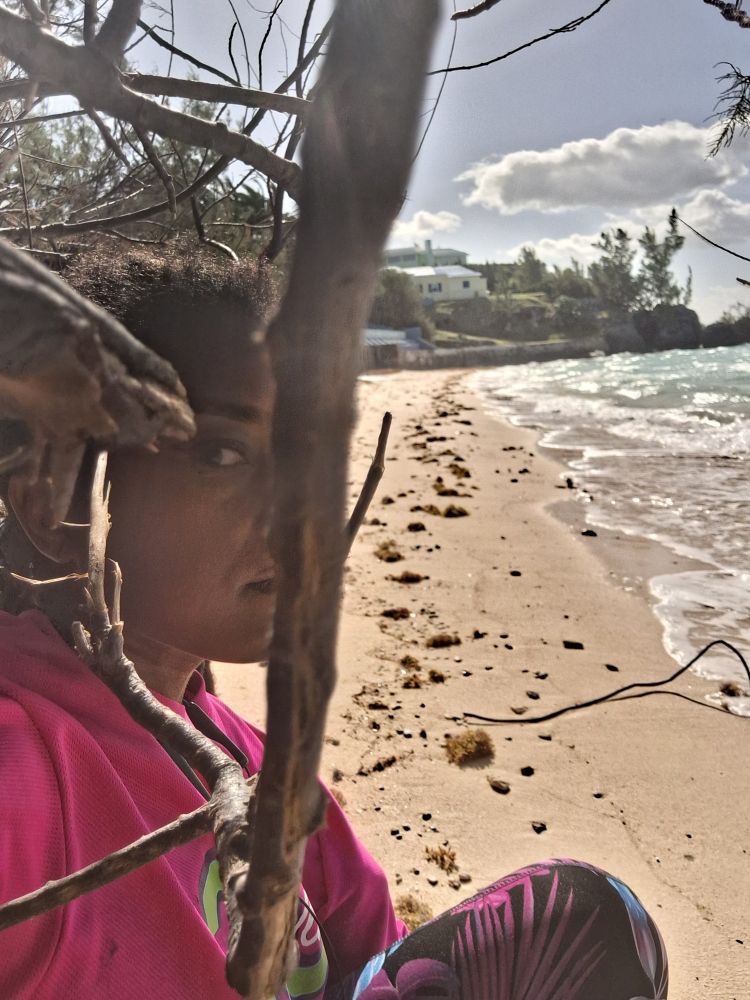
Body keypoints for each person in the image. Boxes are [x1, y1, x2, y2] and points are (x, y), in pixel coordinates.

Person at [0, 246, 668, 999]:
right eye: (221, 453)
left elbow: (375, 952)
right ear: (55, 503)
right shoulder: (28, 767)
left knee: (582, 920)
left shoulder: (247, 753)